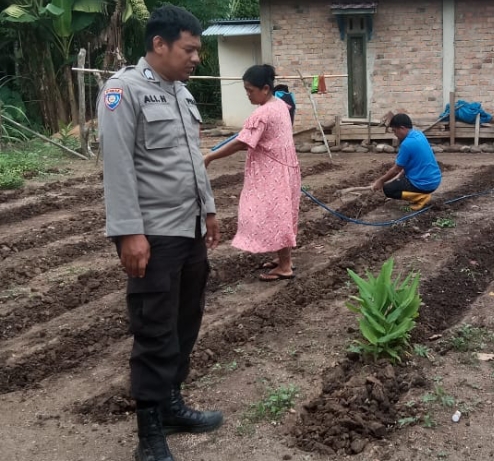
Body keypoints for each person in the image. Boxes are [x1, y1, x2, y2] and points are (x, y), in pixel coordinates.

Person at [98, 5, 223, 461]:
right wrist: (129, 233)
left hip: (188, 230)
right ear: (159, 44)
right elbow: (118, 167)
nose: (196, 59)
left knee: (185, 322)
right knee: (154, 330)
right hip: (152, 235)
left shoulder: (180, 93)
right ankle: (149, 435)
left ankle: (171, 404)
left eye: (197, 51)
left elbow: (191, 159)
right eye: (189, 50)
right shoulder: (122, 91)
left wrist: (208, 211)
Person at [204, 64, 301, 282]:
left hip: (272, 173)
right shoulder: (280, 105)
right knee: (283, 214)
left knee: (274, 216)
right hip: (285, 169)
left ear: (265, 88)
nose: (247, 94)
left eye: (250, 90)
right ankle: (283, 259)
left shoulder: (263, 113)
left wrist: (210, 156)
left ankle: (285, 266)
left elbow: (241, 143)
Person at [371, 113, 442, 210]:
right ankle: (418, 194)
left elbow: (396, 170)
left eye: (395, 131)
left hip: (424, 184)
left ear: (402, 128)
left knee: (388, 190)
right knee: (399, 180)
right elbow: (414, 160)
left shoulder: (407, 144)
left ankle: (421, 197)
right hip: (435, 180)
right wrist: (402, 173)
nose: (395, 135)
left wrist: (381, 181)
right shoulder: (419, 134)